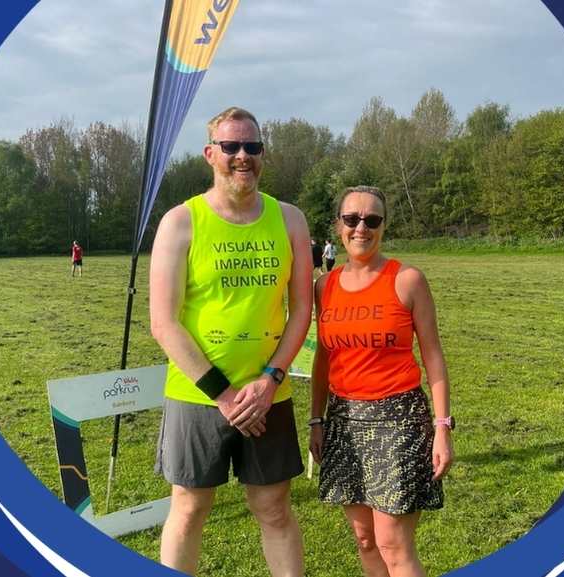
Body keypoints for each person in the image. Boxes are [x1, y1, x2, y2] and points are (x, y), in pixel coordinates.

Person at [149, 107, 313, 577]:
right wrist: (223, 395)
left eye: (253, 147)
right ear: (210, 154)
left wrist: (269, 380)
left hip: (269, 394)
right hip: (198, 396)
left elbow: (301, 309)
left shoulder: (291, 220)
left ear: (263, 154)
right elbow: (164, 322)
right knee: (189, 509)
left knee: (275, 509)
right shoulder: (181, 222)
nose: (243, 156)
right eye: (231, 147)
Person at [309, 186, 453, 577]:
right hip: (342, 421)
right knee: (365, 539)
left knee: (393, 542)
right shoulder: (325, 287)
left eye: (372, 220)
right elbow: (324, 357)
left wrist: (442, 428)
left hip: (398, 418)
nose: (361, 228)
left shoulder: (407, 280)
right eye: (352, 219)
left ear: (384, 226)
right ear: (338, 225)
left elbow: (434, 357)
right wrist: (316, 420)